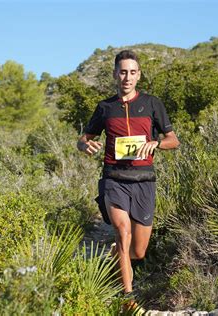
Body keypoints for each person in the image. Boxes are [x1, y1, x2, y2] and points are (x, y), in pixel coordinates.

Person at [77, 50, 180, 304]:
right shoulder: (105, 107)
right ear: (115, 74)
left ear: (139, 75)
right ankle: (128, 300)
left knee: (138, 250)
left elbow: (173, 140)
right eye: (123, 72)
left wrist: (156, 144)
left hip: (144, 181)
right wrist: (85, 146)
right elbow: (84, 138)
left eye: (132, 72)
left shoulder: (152, 104)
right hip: (114, 180)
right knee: (122, 232)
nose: (127, 77)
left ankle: (115, 259)